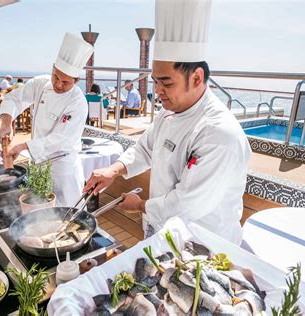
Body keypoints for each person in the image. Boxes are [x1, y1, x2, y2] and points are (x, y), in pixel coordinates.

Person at [84, 0, 251, 245]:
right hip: (161, 227)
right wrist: (113, 170)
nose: (158, 91)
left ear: (196, 78)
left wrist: (140, 205)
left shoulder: (219, 133)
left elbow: (187, 204)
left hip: (201, 244)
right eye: (155, 82)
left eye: (166, 83)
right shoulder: (169, 111)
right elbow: (145, 148)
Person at [0, 33, 93, 207]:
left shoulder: (78, 103)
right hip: (39, 163)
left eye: (66, 82)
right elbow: (14, 99)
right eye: (56, 77)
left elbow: (60, 139)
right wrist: (6, 123)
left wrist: (23, 146)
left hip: (62, 168)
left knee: (67, 213)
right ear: (53, 68)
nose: (58, 85)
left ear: (77, 81)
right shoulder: (40, 84)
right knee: (40, 211)